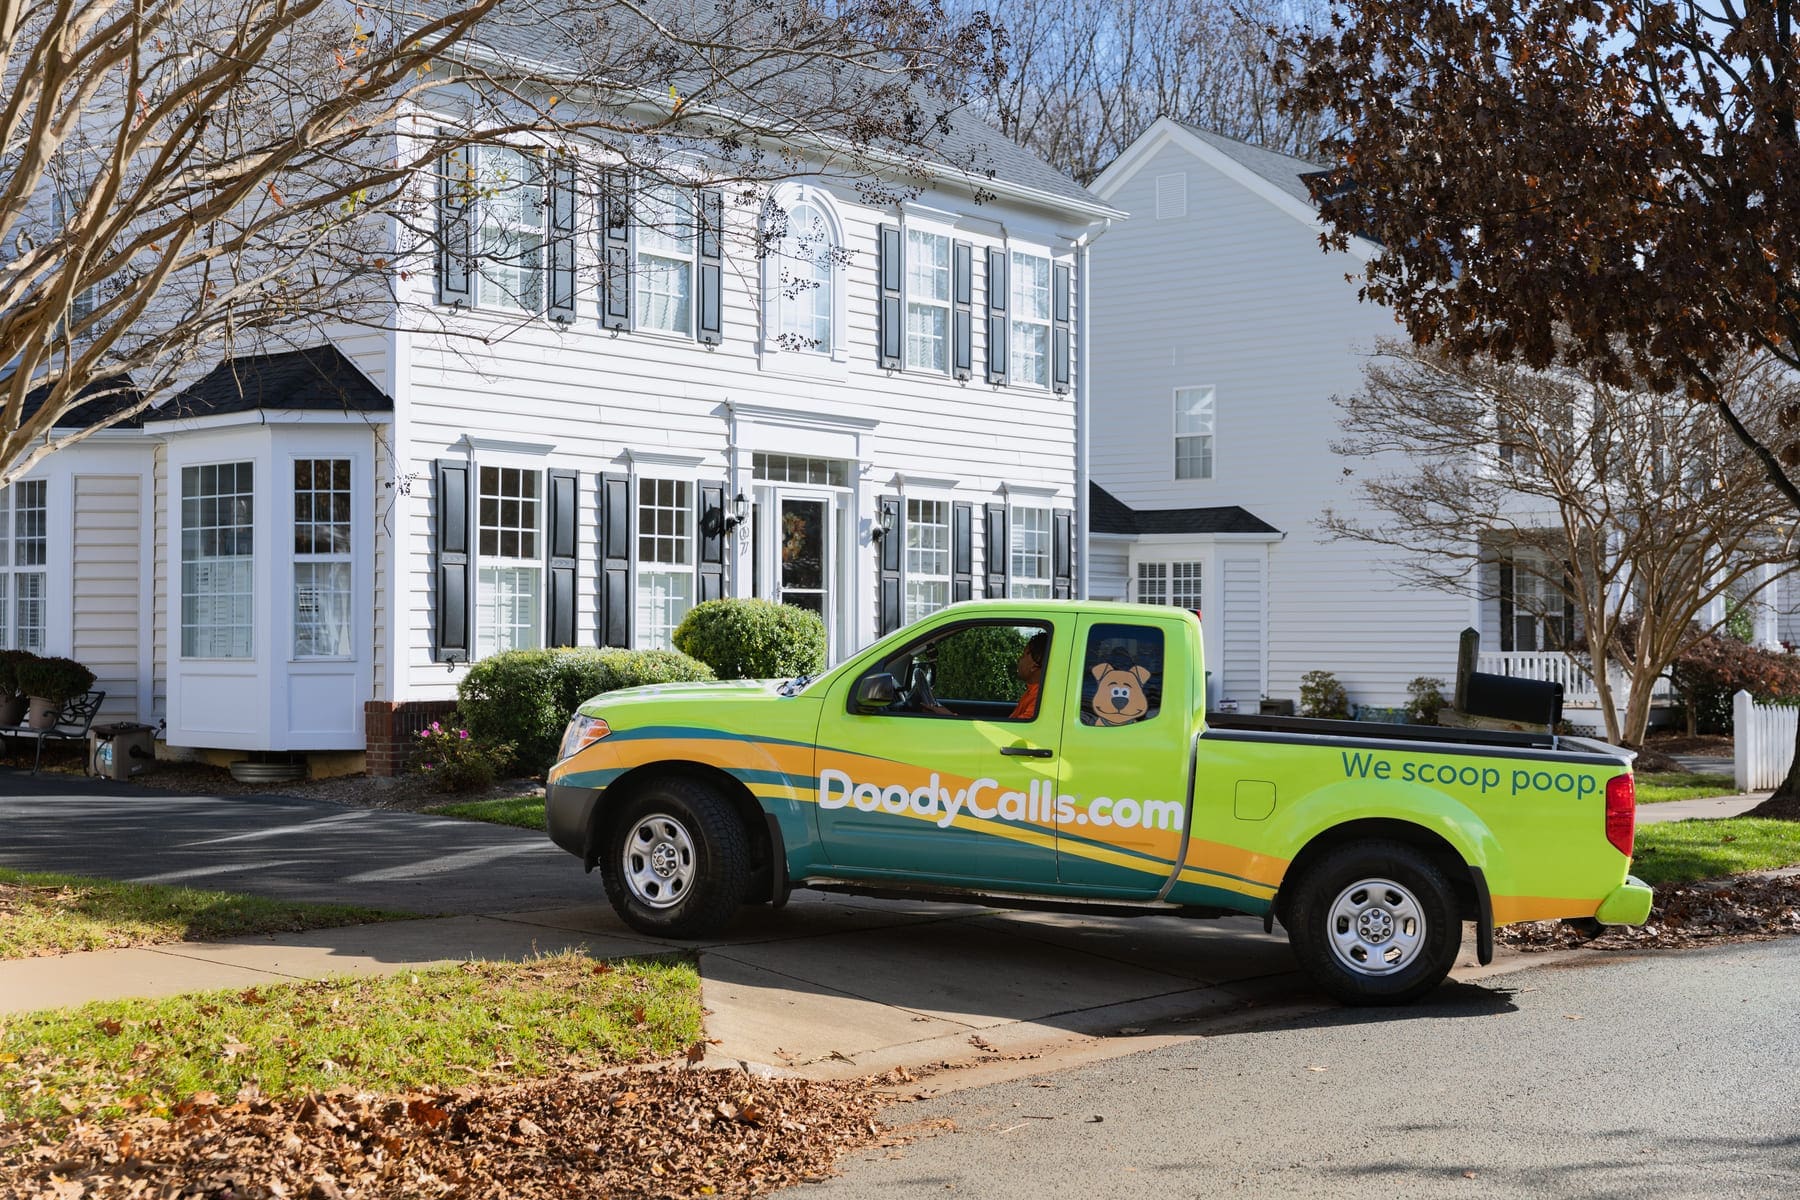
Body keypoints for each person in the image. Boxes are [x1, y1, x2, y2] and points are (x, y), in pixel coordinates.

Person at [1009, 631, 1049, 720]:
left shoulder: (1040, 698)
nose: (1019, 659)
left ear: (1034, 665)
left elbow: (1018, 729)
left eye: (1023, 655)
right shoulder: (1034, 691)